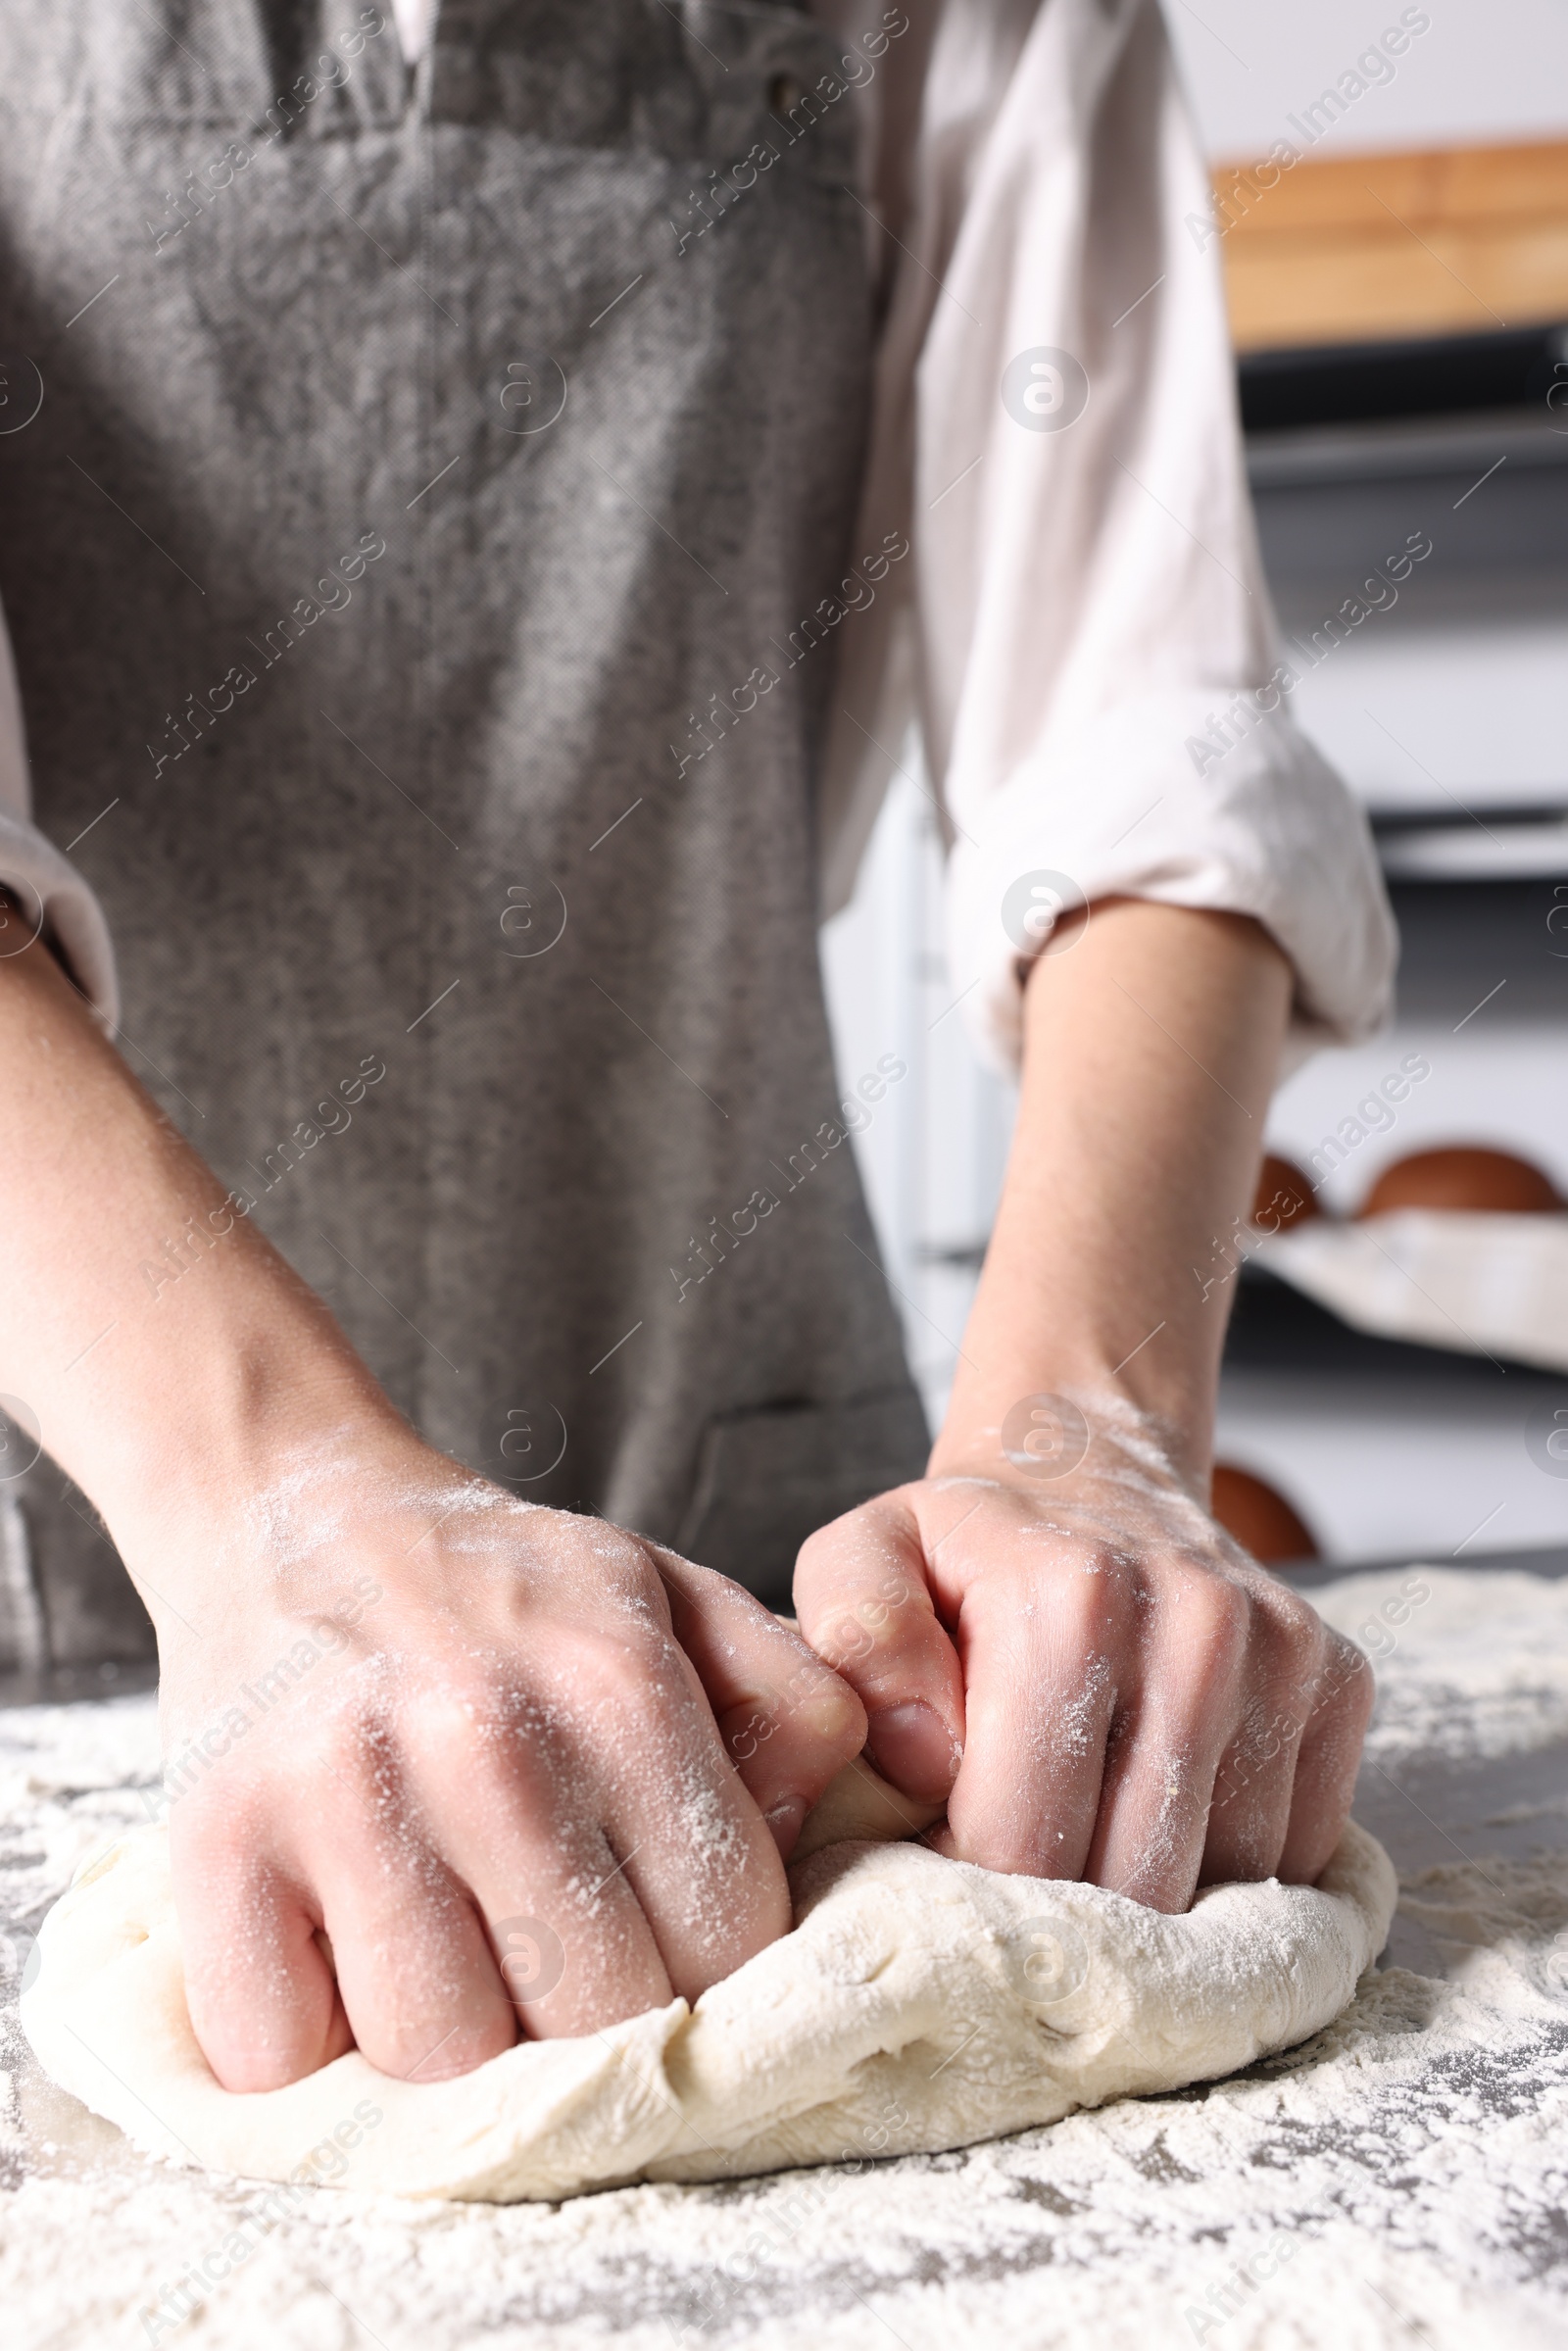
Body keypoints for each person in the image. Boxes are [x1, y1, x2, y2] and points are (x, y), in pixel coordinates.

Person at [0, 0, 1394, 2091]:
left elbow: (1148, 753)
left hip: (789, 1600)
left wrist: (1080, 1431)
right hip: (66, 1533)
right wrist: (264, 1501)